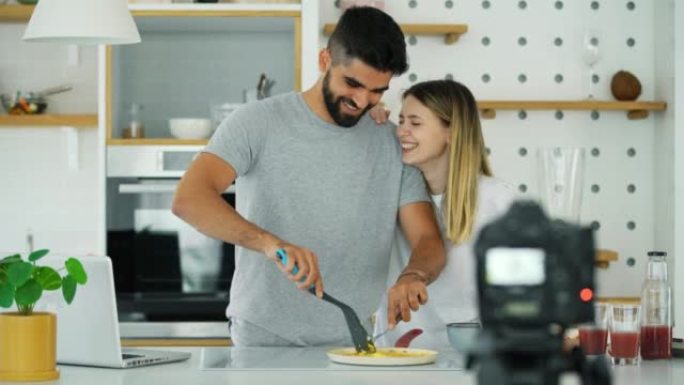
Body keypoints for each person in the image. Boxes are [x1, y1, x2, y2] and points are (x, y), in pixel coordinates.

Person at [172, 7, 446, 347]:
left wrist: (413, 276)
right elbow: (189, 199)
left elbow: (428, 240)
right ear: (324, 60)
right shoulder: (257, 122)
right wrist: (271, 244)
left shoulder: (392, 143)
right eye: (352, 83)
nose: (361, 101)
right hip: (262, 337)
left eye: (377, 90)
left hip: (354, 341)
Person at [373, 79, 516, 349]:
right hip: (393, 360)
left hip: (469, 361)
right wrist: (367, 127)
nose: (401, 131)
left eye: (415, 123)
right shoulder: (391, 193)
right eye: (401, 121)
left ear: (451, 132)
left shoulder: (497, 200)